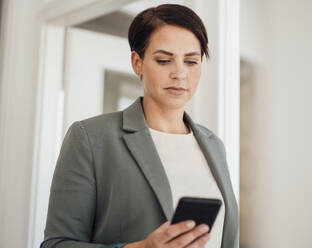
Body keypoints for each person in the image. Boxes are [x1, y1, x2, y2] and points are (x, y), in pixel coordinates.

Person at [40, 4, 238, 248]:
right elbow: (56, 244)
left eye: (191, 61)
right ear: (137, 62)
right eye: (164, 60)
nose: (179, 73)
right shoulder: (91, 138)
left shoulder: (214, 145)